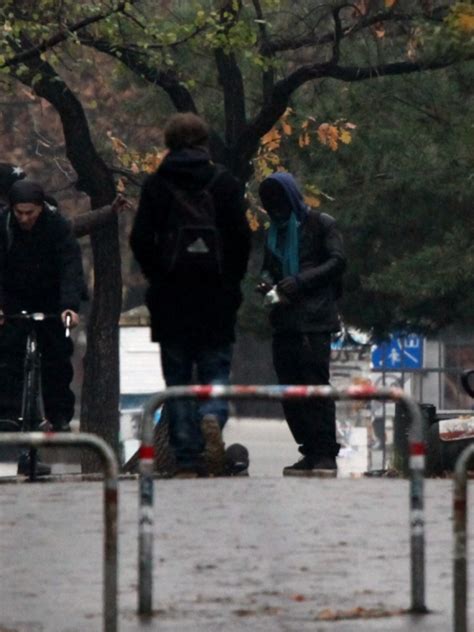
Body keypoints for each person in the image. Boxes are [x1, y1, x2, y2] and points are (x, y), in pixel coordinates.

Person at [130, 112, 251, 477]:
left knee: (179, 379)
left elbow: (139, 240)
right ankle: (212, 416)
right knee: (215, 366)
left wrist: (159, 276)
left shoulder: (156, 185)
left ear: (168, 142)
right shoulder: (224, 183)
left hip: (172, 300)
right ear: (204, 142)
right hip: (216, 298)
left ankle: (186, 458)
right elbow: (242, 240)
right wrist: (230, 282)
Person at [257, 172, 346, 477]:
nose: (275, 209)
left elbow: (337, 262)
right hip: (284, 321)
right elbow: (268, 268)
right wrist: (267, 283)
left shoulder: (322, 224)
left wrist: (301, 282)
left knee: (315, 387)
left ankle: (325, 452)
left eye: (279, 201)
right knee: (290, 389)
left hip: (315, 320)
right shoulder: (275, 233)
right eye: (269, 204)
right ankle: (309, 450)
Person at [0, 180, 85, 475]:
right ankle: (8, 413)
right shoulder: (3, 227)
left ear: (40, 208)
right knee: (7, 353)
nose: (25, 219)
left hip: (51, 299)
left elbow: (70, 266)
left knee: (58, 355)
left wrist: (69, 307)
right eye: (19, 213)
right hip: (12, 298)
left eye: (30, 213)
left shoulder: (57, 226)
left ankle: (59, 414)